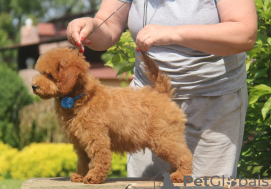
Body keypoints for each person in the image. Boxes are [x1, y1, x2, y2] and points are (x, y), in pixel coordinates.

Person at [67, 0, 257, 179]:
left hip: (213, 99)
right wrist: (89, 26)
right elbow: (107, 26)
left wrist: (174, 34)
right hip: (145, 105)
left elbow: (244, 34)